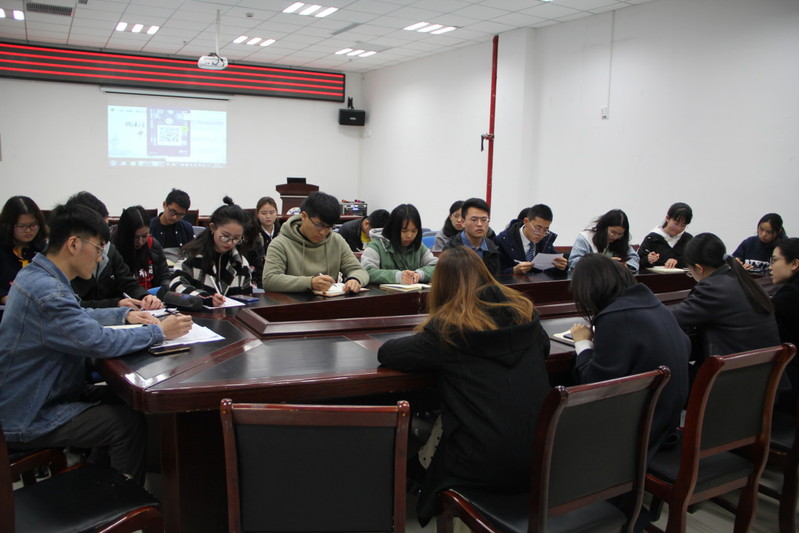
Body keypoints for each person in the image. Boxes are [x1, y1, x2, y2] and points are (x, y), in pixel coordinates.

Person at [0, 203, 192, 485]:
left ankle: (98, 482)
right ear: (74, 244)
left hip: (45, 391)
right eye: (99, 248)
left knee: (124, 398)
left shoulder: (39, 276)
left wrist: (123, 315)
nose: (101, 257)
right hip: (31, 412)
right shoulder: (48, 291)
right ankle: (123, 499)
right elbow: (97, 341)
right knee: (124, 424)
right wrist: (158, 332)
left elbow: (77, 316)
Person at [377, 246, 550, 525]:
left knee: (443, 422)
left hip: (481, 466)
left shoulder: (449, 330)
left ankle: (416, 478)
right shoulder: (525, 314)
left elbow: (388, 353)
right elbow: (544, 348)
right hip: (543, 457)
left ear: (441, 286)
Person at [569, 254, 690, 458]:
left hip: (642, 435)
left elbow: (593, 384)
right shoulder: (655, 305)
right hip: (667, 422)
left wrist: (582, 344)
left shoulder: (615, 317)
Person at [671, 233, 780, 365]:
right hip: (762, 370)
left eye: (690, 272)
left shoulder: (712, 289)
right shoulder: (745, 281)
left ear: (699, 268)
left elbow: (670, 318)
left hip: (733, 372)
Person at [67, 192, 162, 310]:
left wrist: (145, 296)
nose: (105, 234)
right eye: (100, 228)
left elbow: (127, 282)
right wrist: (115, 304)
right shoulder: (61, 265)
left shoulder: (109, 250)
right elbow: (72, 307)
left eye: (106, 226)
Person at [262, 191, 369, 293]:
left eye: (329, 227)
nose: (323, 232)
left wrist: (355, 279)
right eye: (319, 225)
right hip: (292, 303)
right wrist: (309, 283)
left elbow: (359, 270)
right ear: (304, 216)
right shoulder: (280, 243)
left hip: (329, 301)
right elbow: (270, 280)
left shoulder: (336, 241)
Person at [169, 197, 252, 306]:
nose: (230, 243)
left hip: (230, 314)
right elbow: (176, 285)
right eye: (225, 236)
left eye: (236, 238)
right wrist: (206, 298)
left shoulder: (240, 263)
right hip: (197, 313)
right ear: (213, 227)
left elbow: (247, 296)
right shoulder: (192, 256)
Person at [360, 204, 437, 284]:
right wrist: (398, 276)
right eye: (404, 231)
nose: (409, 236)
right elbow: (367, 272)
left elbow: (436, 267)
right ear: (393, 228)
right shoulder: (376, 246)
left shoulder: (418, 245)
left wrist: (419, 274)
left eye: (414, 231)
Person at [494, 203, 568, 274]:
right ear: (526, 221)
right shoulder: (503, 241)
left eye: (545, 230)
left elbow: (551, 268)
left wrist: (561, 267)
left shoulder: (546, 240)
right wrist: (513, 270)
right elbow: (495, 272)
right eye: (537, 228)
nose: (541, 234)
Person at [0, 196, 48, 305]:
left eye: (32, 225)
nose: (28, 230)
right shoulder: (2, 251)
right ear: (8, 225)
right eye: (21, 226)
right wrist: (4, 297)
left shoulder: (44, 251)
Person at [769, 238, 799, 413]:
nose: (770, 266)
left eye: (774, 260)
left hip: (790, 378)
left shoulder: (791, 295)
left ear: (794, 264)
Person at [113, 206, 169, 292]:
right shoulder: (113, 248)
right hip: (126, 297)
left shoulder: (153, 245)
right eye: (135, 237)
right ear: (125, 234)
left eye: (144, 236)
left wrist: (163, 290)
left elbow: (165, 276)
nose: (140, 242)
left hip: (153, 296)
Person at [442, 197, 501, 275]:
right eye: (474, 220)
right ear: (463, 222)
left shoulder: (492, 249)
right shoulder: (451, 250)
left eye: (484, 220)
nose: (479, 224)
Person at [568, 209, 639, 272]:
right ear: (604, 227)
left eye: (620, 234)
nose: (615, 237)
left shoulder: (621, 240)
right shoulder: (586, 237)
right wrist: (601, 263)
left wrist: (626, 266)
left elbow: (634, 258)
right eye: (613, 232)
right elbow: (573, 262)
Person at [638, 202, 694, 269]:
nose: (678, 228)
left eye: (683, 225)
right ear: (667, 218)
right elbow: (638, 262)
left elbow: (694, 261)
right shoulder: (652, 238)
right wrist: (648, 260)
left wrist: (678, 261)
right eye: (676, 223)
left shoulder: (688, 239)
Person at [244, 196, 282, 289]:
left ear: (276, 213)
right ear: (257, 214)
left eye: (272, 212)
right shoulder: (252, 233)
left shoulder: (282, 231)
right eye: (264, 213)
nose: (268, 216)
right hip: (258, 276)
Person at [150, 188, 196, 260]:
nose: (175, 217)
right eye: (172, 211)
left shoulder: (187, 228)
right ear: (164, 205)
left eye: (180, 214)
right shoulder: (149, 227)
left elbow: (192, 254)